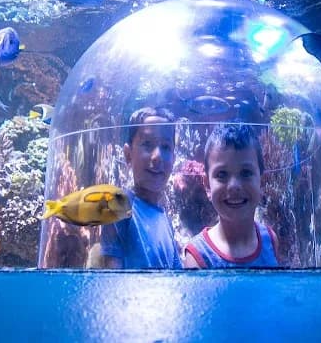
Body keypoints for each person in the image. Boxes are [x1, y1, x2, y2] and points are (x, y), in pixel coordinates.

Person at [94, 107, 182, 269]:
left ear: (174, 158)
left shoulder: (165, 220)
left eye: (166, 147)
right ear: (128, 154)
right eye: (147, 144)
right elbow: (111, 279)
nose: (157, 157)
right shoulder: (117, 207)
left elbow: (178, 276)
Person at [183, 123, 279, 268]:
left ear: (262, 180)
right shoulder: (198, 257)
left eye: (246, 173)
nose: (234, 186)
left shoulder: (270, 240)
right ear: (207, 185)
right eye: (222, 174)